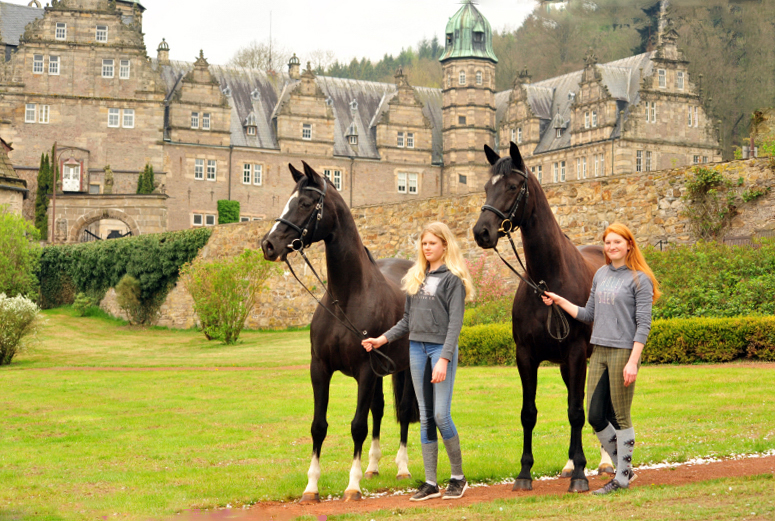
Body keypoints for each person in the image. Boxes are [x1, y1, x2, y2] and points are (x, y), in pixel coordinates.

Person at [541, 223, 661, 495]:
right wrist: (560, 300)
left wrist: (633, 361)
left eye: (617, 242)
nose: (612, 247)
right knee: (595, 415)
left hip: (622, 353)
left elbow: (643, 324)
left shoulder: (639, 279)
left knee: (620, 416)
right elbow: (587, 314)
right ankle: (624, 468)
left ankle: (621, 477)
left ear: (629, 245)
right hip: (598, 351)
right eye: (608, 243)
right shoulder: (601, 275)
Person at [362, 222, 475, 501]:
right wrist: (381, 340)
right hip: (416, 349)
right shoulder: (417, 276)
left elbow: (455, 326)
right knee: (425, 416)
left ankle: (458, 478)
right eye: (424, 244)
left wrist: (444, 360)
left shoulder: (453, 280)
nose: (427, 248)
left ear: (444, 246)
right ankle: (430, 482)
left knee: (440, 415)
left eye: (432, 243)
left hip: (440, 351)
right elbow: (406, 321)